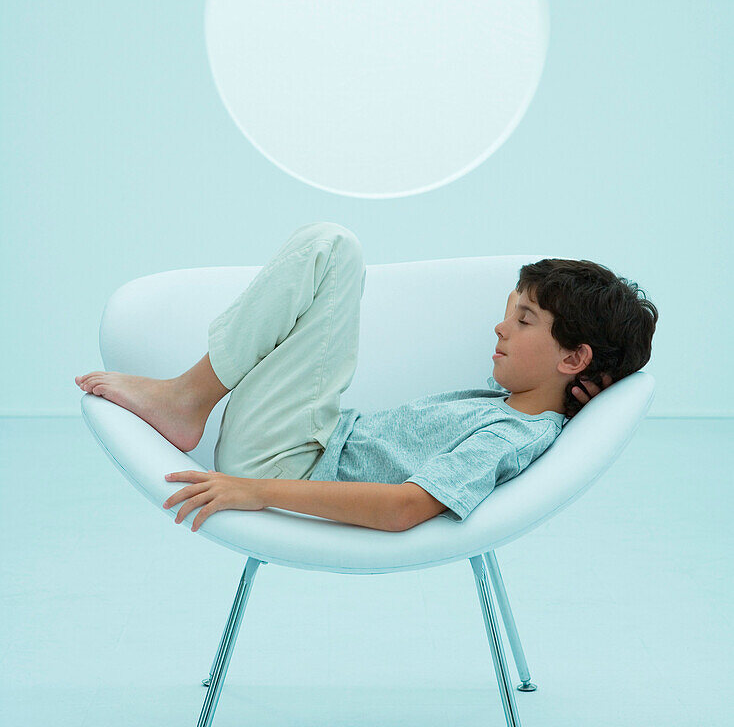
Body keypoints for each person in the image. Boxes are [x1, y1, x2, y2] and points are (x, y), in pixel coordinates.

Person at [74, 222, 658, 535]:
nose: (501, 328)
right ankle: (186, 396)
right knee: (328, 251)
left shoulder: (513, 435)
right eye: (510, 310)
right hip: (311, 441)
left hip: (286, 468)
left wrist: (256, 491)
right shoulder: (510, 406)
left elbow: (406, 508)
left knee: (332, 248)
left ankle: (186, 398)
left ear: (573, 360)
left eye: (524, 319)